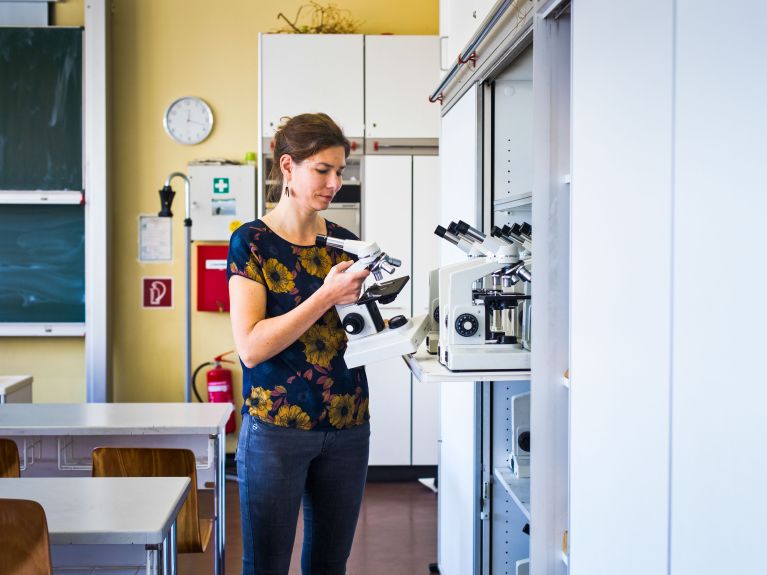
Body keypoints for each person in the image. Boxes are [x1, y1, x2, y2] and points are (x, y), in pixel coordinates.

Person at [227, 112, 371, 575]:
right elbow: (250, 347)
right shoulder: (251, 242)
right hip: (276, 429)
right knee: (266, 565)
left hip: (348, 423)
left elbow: (355, 331)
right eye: (322, 170)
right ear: (288, 167)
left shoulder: (346, 244)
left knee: (330, 564)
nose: (334, 183)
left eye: (340, 171)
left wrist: (396, 326)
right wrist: (326, 294)